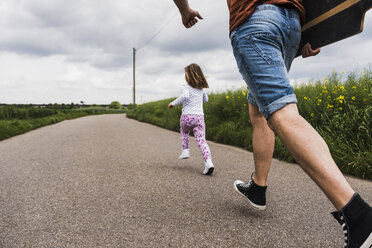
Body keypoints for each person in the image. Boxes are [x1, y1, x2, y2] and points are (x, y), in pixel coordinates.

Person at [172, 0, 372, 247]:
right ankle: (258, 186)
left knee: (282, 114)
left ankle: (360, 219)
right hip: (292, 25)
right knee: (260, 112)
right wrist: (316, 30)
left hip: (254, 21)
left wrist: (184, 10)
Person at [168, 63, 215, 175]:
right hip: (199, 117)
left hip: (187, 117)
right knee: (202, 141)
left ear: (188, 76)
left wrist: (173, 103)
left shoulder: (185, 87)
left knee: (184, 132)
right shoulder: (202, 88)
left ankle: (185, 151)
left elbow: (184, 96)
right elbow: (206, 100)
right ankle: (208, 162)